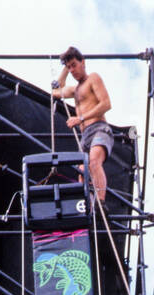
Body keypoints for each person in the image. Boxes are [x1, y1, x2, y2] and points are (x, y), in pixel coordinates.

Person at [52, 46, 113, 204]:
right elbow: (55, 91)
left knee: (93, 162)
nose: (72, 70)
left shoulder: (93, 78)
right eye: (69, 67)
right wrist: (65, 68)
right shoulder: (75, 90)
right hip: (85, 136)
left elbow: (106, 104)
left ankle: (101, 202)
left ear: (83, 62)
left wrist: (80, 118)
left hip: (99, 128)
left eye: (74, 65)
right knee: (81, 172)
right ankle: (86, 205)